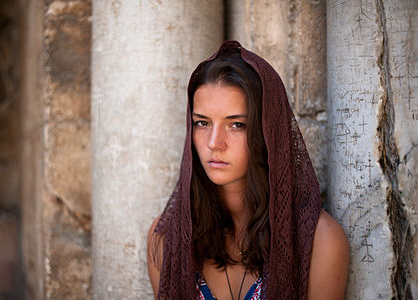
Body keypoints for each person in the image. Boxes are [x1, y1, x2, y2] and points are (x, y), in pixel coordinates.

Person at [147, 40, 349, 300]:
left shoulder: (320, 242)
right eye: (202, 123)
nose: (214, 143)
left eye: (237, 125)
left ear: (268, 131)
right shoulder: (167, 239)